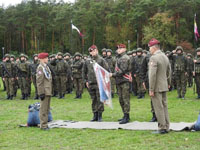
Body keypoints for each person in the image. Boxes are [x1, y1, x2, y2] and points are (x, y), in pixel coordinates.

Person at [148, 38, 171, 134]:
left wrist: (151, 88)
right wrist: (169, 83)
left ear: (153, 48)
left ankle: (162, 127)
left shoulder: (154, 58)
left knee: (158, 107)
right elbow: (169, 71)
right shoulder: (165, 56)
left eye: (149, 47)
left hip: (157, 86)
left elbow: (152, 75)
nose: (149, 49)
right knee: (164, 106)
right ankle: (166, 126)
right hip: (164, 85)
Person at [82, 45, 109, 122]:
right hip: (90, 83)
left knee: (100, 99)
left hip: (99, 83)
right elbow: (84, 71)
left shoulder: (101, 60)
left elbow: (106, 70)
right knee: (93, 99)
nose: (92, 52)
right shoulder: (87, 60)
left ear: (97, 50)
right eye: (91, 51)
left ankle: (100, 115)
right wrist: (85, 81)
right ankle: (95, 114)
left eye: (93, 51)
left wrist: (104, 81)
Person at [110, 44, 131, 124]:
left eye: (120, 48)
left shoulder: (125, 58)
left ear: (124, 49)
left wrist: (113, 75)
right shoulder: (119, 58)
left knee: (125, 99)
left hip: (124, 81)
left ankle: (126, 116)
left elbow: (122, 71)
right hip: (119, 81)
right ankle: (124, 115)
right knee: (121, 99)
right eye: (118, 48)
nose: (118, 49)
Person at [36, 52, 52, 130]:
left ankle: (45, 123)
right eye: (46, 58)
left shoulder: (46, 67)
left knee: (47, 109)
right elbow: (39, 81)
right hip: (44, 91)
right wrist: (41, 92)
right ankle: (43, 125)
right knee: (43, 109)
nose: (47, 59)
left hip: (48, 90)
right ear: (42, 59)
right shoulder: (40, 68)